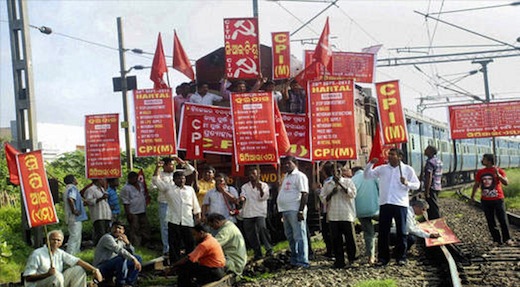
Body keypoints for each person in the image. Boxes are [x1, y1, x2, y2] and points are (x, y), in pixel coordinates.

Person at [364, 148, 420, 266]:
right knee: (383, 231)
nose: (389, 156)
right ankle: (383, 258)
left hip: (400, 203)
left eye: (392, 154)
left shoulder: (407, 169)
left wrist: (407, 183)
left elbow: (417, 184)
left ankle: (401, 257)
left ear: (400, 157)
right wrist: (371, 164)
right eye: (389, 154)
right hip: (385, 203)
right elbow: (367, 175)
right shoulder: (383, 169)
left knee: (402, 231)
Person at [153, 169, 201, 263]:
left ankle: (190, 263)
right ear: (174, 180)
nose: (181, 180)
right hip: (174, 221)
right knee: (174, 245)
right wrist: (157, 168)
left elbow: (195, 204)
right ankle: (175, 265)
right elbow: (156, 180)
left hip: (188, 221)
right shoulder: (168, 189)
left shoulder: (190, 189)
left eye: (183, 178)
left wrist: (198, 216)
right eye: (178, 178)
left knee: (190, 243)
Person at [23, 230, 103, 287]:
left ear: (61, 243)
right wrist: (47, 275)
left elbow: (77, 261)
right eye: (53, 239)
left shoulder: (59, 252)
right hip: (38, 284)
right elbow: (28, 277)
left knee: (78, 270)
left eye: (58, 240)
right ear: (47, 241)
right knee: (56, 276)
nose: (55, 242)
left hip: (56, 282)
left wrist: (95, 270)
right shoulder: (37, 254)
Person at [319, 161, 358, 269]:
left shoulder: (348, 182)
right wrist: (332, 192)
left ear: (342, 171)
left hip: (346, 214)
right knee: (336, 240)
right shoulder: (327, 184)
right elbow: (323, 199)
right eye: (334, 171)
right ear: (331, 172)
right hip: (333, 215)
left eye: (339, 170)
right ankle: (339, 260)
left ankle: (352, 259)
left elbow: (353, 194)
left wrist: (341, 185)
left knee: (350, 238)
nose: (337, 173)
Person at [471, 154, 514, 246]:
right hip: (486, 200)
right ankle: (496, 240)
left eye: (484, 159)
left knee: (502, 219)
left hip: (498, 199)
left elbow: (506, 182)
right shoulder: (480, 172)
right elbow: (476, 184)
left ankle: (507, 239)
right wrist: (472, 196)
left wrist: (498, 175)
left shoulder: (499, 170)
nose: (482, 161)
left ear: (489, 161)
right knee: (490, 220)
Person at [277, 155, 309, 268]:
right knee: (290, 237)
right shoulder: (286, 176)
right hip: (285, 210)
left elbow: (304, 194)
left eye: (288, 163)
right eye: (284, 163)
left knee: (299, 236)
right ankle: (294, 259)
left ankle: (303, 260)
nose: (286, 165)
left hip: (295, 210)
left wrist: (300, 211)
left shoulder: (300, 176)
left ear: (295, 164)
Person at [93, 221, 142, 287]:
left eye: (119, 228)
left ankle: (129, 283)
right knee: (121, 259)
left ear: (123, 230)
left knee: (138, 258)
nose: (117, 230)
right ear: (111, 229)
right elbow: (119, 250)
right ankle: (120, 283)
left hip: (114, 264)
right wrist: (133, 259)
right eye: (115, 228)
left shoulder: (121, 239)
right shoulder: (107, 237)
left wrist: (128, 243)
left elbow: (131, 253)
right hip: (102, 267)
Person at [239, 167, 273, 260]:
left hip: (259, 212)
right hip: (248, 212)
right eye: (250, 174)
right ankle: (257, 252)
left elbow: (263, 197)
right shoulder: (245, 186)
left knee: (262, 229)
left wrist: (260, 189)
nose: (251, 176)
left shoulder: (264, 185)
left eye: (253, 174)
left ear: (258, 174)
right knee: (251, 233)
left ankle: (268, 248)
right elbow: (243, 195)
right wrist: (241, 199)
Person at [352, 166, 379, 265]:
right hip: (375, 209)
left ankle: (370, 256)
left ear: (353, 171)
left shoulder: (353, 179)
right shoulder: (372, 176)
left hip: (360, 211)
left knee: (368, 234)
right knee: (389, 224)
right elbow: (381, 188)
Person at [120, 171, 151, 247]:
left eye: (135, 178)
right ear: (129, 179)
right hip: (133, 211)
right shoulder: (126, 188)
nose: (134, 179)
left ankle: (145, 243)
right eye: (132, 178)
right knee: (135, 229)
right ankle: (135, 244)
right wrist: (128, 213)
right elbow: (125, 202)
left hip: (142, 210)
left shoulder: (141, 185)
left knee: (145, 227)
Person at [62, 174, 88, 255]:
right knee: (75, 236)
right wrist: (74, 210)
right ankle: (71, 253)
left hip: (71, 216)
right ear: (73, 180)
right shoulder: (72, 188)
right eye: (75, 178)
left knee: (76, 235)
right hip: (74, 217)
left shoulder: (67, 188)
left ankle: (76, 253)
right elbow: (71, 198)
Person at [84, 178, 111, 245]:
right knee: (100, 233)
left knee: (107, 232)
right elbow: (88, 201)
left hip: (106, 215)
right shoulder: (91, 190)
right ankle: (100, 247)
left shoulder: (102, 189)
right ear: (98, 180)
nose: (104, 181)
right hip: (98, 215)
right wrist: (101, 198)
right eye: (103, 180)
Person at [423, 145, 443, 220]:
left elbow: (429, 177)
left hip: (431, 187)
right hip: (437, 186)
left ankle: (436, 221)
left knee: (432, 208)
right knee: (433, 205)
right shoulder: (438, 161)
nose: (425, 150)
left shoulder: (430, 162)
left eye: (427, 149)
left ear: (430, 152)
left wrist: (426, 191)